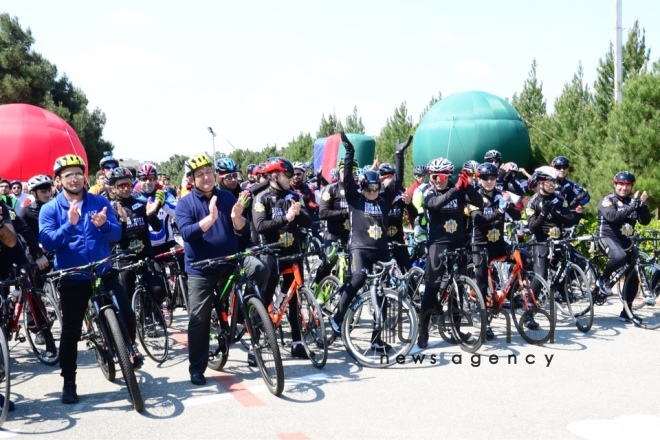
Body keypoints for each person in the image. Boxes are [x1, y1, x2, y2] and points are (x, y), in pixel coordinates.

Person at [39, 154, 139, 404]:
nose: (74, 179)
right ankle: (69, 382)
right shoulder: (50, 208)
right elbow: (48, 242)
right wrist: (69, 225)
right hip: (73, 276)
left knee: (127, 314)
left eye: (78, 173)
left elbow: (116, 234)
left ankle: (129, 349)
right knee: (71, 332)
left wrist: (105, 225)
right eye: (68, 175)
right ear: (58, 180)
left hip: (103, 270)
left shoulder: (99, 202)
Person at [174, 154, 249, 385]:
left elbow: (242, 230)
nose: (206, 177)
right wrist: (208, 220)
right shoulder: (185, 203)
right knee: (198, 319)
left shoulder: (226, 196)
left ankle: (253, 323)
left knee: (260, 268)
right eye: (200, 174)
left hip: (228, 261)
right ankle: (197, 367)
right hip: (200, 269)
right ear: (192, 179)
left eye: (208, 172)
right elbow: (186, 233)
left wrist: (237, 218)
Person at [329, 134, 409, 351]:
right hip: (359, 248)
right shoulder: (356, 199)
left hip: (381, 250)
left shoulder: (384, 199)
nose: (372, 193)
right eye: (368, 189)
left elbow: (398, 181)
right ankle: (338, 317)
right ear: (362, 187)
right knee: (358, 278)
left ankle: (376, 339)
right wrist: (349, 153)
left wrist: (399, 155)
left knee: (381, 294)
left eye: (376, 189)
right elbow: (347, 180)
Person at [417, 157, 482, 349]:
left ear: (449, 175)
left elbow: (480, 203)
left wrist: (468, 186)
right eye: (434, 176)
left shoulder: (459, 189)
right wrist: (456, 189)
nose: (438, 179)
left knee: (458, 289)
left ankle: (457, 328)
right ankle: (423, 330)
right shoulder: (428, 191)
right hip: (438, 244)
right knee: (432, 289)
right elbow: (436, 204)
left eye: (442, 176)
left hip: (458, 242)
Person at [252, 157, 312, 359]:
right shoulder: (262, 198)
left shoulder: (294, 196)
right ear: (275, 176)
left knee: (294, 299)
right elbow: (260, 226)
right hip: (270, 252)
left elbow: (308, 220)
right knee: (264, 298)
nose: (291, 178)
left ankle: (297, 342)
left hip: (292, 251)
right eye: (287, 175)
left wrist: (297, 213)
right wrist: (285, 218)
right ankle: (256, 345)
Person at [468, 162, 522, 340]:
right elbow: (480, 222)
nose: (489, 181)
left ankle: (513, 297)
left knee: (524, 260)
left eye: (492, 178)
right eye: (484, 178)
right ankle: (485, 323)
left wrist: (509, 205)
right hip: (480, 244)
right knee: (482, 282)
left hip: (498, 243)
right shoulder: (474, 197)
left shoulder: (501, 194)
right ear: (479, 179)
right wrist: (500, 211)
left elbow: (517, 216)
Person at [596, 171, 651, 324]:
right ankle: (603, 279)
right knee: (619, 256)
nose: (624, 188)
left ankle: (627, 311)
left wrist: (642, 206)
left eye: (628, 185)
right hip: (606, 238)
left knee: (633, 275)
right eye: (621, 184)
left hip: (626, 241)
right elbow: (613, 217)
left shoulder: (633, 202)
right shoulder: (607, 200)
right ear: (615, 185)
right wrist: (633, 206)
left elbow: (645, 221)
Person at [109, 167, 167, 310]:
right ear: (113, 188)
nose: (125, 189)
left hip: (146, 255)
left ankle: (152, 309)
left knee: (160, 292)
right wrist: (122, 222)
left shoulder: (141, 204)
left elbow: (158, 227)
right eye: (121, 186)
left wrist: (151, 215)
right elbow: (112, 239)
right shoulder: (111, 209)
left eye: (128, 184)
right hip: (125, 258)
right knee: (126, 298)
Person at [525, 166, 574, 327]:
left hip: (558, 240)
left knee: (579, 263)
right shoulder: (533, 202)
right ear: (540, 183)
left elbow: (570, 219)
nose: (553, 184)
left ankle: (558, 287)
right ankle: (529, 313)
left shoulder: (560, 199)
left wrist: (558, 214)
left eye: (554, 181)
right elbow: (533, 228)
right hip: (540, 241)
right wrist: (544, 214)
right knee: (541, 275)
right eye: (549, 181)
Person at [379, 162, 416, 272]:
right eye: (389, 177)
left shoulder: (401, 193)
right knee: (382, 273)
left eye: (393, 177)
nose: (392, 180)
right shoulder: (376, 194)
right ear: (381, 179)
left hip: (398, 239)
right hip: (381, 240)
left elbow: (414, 214)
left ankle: (411, 289)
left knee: (408, 270)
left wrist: (409, 203)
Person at [551, 156, 590, 222]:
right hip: (549, 217)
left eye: (565, 167)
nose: (562, 170)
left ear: (568, 169)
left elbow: (586, 194)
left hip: (565, 217)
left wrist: (576, 203)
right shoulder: (547, 182)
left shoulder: (569, 184)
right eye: (558, 167)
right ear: (553, 168)